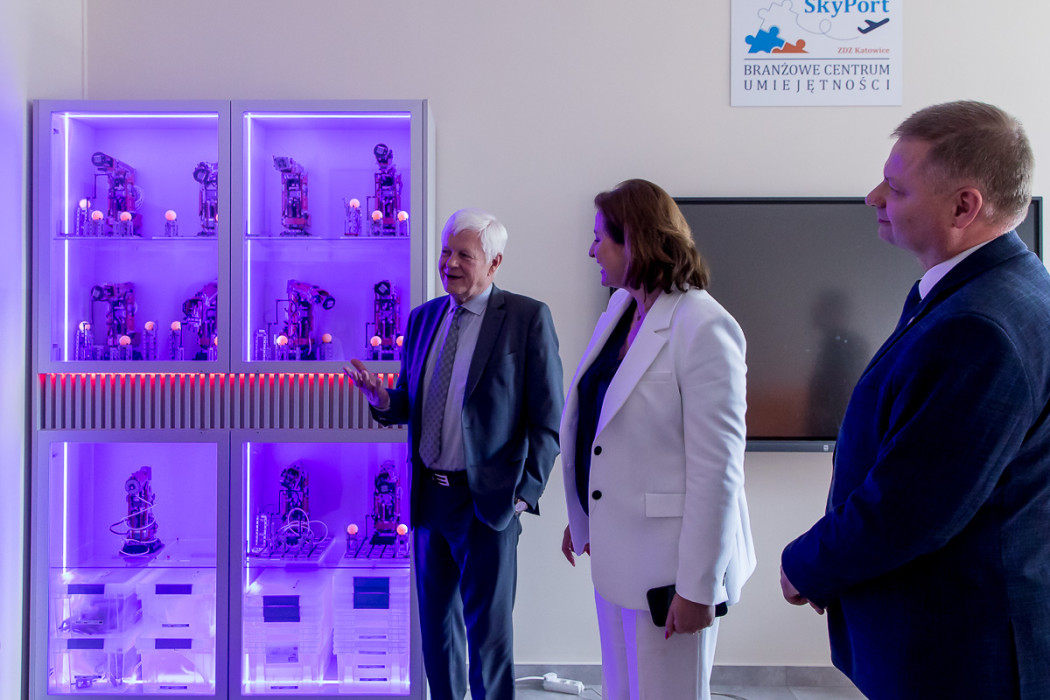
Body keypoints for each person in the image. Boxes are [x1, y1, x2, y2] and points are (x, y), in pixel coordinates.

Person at [780, 101, 1050, 699]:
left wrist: (805, 565)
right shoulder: (993, 289)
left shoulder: (979, 326)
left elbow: (911, 506)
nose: (873, 197)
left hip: (959, 655)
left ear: (964, 207)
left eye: (896, 188)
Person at [344, 208, 563, 700]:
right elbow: (411, 402)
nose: (451, 263)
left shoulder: (526, 319)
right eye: (446, 252)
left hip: (487, 504)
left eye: (465, 254)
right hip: (429, 502)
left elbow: (548, 419)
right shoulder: (423, 319)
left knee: (488, 639)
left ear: (495, 263)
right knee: (437, 635)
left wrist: (524, 495)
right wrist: (383, 399)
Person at [559, 179, 756, 700]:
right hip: (617, 554)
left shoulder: (704, 325)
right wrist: (584, 511)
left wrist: (698, 588)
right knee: (622, 690)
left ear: (636, 241)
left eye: (600, 238)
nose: (591, 251)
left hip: (672, 571)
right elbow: (602, 426)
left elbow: (718, 471)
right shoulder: (621, 312)